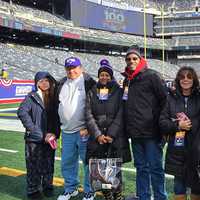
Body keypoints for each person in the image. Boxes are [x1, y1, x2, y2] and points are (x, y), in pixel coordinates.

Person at [121, 48, 167, 200]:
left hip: (151, 132)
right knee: (141, 167)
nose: (131, 61)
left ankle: (160, 197)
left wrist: (161, 126)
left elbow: (165, 101)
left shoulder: (152, 75)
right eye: (129, 59)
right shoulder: (127, 79)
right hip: (135, 133)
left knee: (155, 168)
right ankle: (143, 196)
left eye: (134, 58)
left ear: (140, 60)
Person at [86, 59, 131, 200]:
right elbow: (88, 114)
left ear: (111, 77)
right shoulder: (92, 91)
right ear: (99, 76)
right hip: (98, 139)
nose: (104, 77)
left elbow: (121, 113)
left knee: (114, 170)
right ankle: (107, 195)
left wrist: (111, 133)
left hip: (115, 137)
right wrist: (98, 135)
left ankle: (117, 195)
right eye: (102, 75)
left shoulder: (118, 91)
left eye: (107, 75)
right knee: (101, 170)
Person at [57, 57, 96, 200]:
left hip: (83, 131)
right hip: (66, 131)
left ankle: (89, 190)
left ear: (81, 68)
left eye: (74, 67)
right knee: (67, 162)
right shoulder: (61, 83)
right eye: (68, 68)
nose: (71, 70)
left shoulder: (89, 82)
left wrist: (89, 127)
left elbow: (96, 106)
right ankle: (70, 188)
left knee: (87, 162)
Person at [159, 67, 200, 200]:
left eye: (189, 77)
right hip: (177, 150)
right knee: (179, 188)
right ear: (178, 80)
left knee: (197, 188)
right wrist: (178, 125)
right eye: (182, 77)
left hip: (197, 149)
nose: (186, 79)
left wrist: (191, 125)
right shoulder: (170, 98)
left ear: (194, 80)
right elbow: (162, 122)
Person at [17, 71, 59, 199]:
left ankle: (47, 186)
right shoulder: (31, 96)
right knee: (33, 165)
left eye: (47, 81)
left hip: (50, 138)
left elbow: (57, 118)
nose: (45, 83)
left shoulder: (53, 97)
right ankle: (33, 190)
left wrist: (55, 133)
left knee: (48, 163)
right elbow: (22, 112)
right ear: (37, 83)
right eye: (41, 81)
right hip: (34, 139)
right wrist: (35, 131)